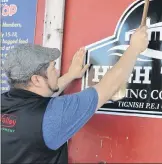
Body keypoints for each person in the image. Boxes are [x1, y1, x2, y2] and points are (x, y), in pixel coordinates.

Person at [1, 26, 148, 163]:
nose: (57, 72)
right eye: (52, 68)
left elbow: (41, 95)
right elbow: (108, 87)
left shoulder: (5, 102)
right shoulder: (53, 116)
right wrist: (134, 48)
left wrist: (71, 75)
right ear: (36, 79)